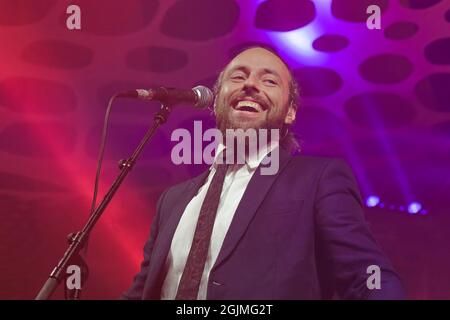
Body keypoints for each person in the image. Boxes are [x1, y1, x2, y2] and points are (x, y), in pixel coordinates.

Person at [121, 46, 405, 300]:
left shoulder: (318, 179)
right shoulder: (172, 201)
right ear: (216, 100)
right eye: (237, 77)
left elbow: (368, 278)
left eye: (269, 81)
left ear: (290, 111)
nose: (250, 85)